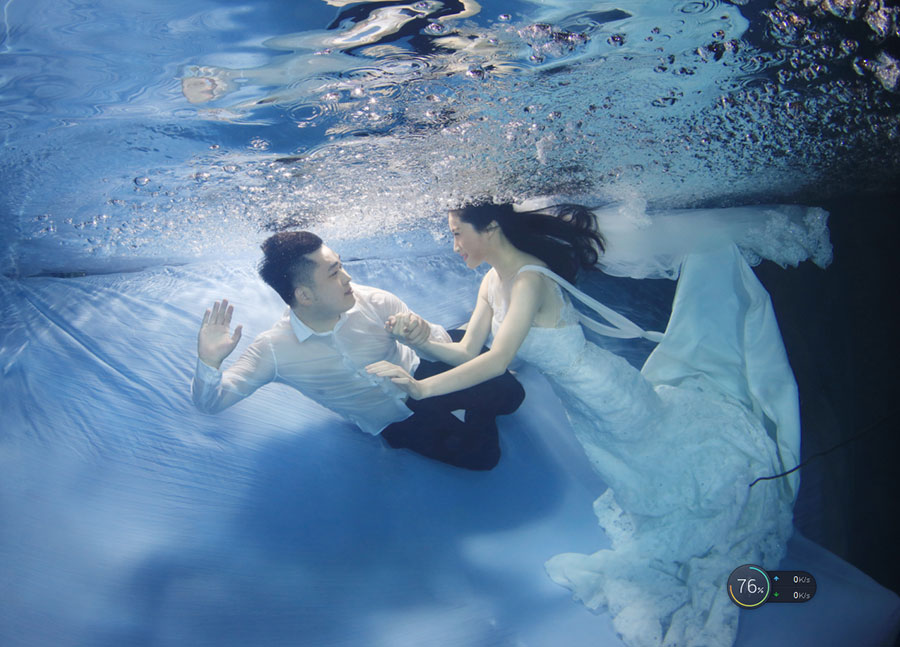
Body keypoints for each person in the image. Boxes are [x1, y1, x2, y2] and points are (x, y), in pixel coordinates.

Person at [366, 201, 798, 646]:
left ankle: (707, 496)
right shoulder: (493, 280)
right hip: (582, 403)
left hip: (607, 393)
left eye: (458, 233)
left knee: (653, 448)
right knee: (635, 464)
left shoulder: (530, 279)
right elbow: (468, 350)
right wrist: (421, 340)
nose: (454, 245)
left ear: (491, 228)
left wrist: (421, 391)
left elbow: (497, 361)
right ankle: (676, 503)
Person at [191, 230, 525, 471]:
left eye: (341, 265)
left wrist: (422, 338)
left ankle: (468, 340)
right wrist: (208, 362)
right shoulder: (273, 351)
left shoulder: (375, 301)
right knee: (483, 459)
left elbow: (440, 349)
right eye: (334, 273)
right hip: (392, 421)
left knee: (511, 396)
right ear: (304, 296)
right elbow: (212, 404)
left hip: (419, 370)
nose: (349, 277)